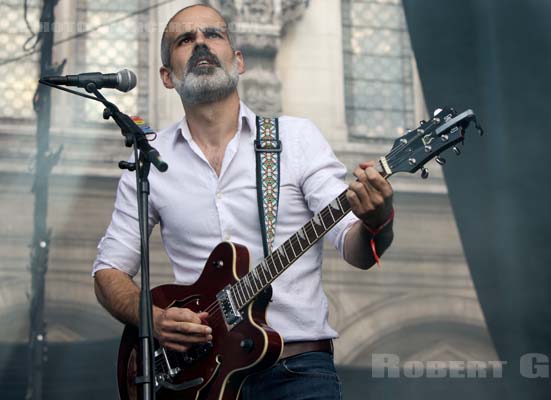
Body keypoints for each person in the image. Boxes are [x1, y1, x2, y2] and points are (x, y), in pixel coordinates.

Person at [93, 4, 394, 399]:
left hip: (297, 372)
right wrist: (155, 319)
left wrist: (378, 219)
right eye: (185, 40)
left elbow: (357, 249)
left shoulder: (297, 139)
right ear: (167, 76)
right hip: (198, 378)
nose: (201, 43)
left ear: (238, 60)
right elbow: (108, 271)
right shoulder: (149, 159)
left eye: (213, 35)